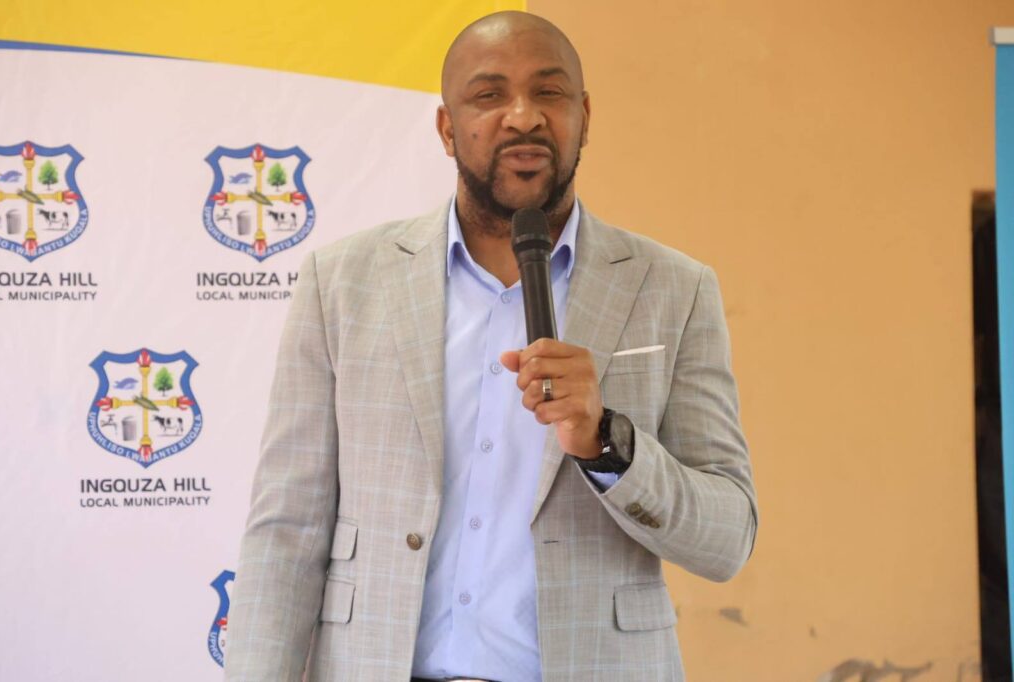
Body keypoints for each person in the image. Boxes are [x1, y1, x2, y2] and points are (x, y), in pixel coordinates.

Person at [225, 11, 757, 682]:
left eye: (549, 92)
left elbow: (726, 539)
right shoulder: (342, 283)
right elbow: (286, 529)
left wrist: (607, 444)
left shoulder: (674, 289)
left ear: (585, 117)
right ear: (447, 128)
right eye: (489, 95)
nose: (523, 117)